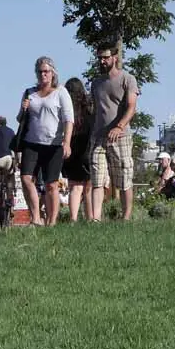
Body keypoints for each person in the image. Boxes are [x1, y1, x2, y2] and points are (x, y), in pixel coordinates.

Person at [16, 56, 74, 226]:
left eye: (46, 71)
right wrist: (23, 109)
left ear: (53, 72)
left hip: (53, 144)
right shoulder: (29, 93)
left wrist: (67, 142)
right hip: (31, 142)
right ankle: (35, 217)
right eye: (40, 71)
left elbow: (68, 119)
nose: (43, 75)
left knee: (51, 185)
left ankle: (52, 221)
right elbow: (20, 119)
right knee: (26, 178)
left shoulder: (61, 92)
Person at [89, 43, 138, 221]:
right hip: (98, 137)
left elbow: (132, 107)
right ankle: (95, 219)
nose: (102, 61)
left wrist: (120, 126)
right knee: (97, 178)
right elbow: (94, 110)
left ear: (115, 57)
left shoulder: (128, 79)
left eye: (105, 57)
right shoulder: (96, 83)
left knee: (124, 178)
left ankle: (125, 218)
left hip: (121, 136)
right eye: (100, 58)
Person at [62, 77, 94, 222]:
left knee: (75, 187)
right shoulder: (89, 109)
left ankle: (73, 219)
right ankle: (91, 218)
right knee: (88, 188)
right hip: (87, 150)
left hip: (70, 151)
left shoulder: (66, 111)